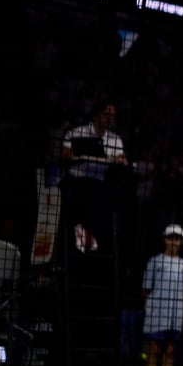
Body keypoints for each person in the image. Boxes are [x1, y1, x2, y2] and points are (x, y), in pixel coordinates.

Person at [59, 100, 128, 252]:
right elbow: (65, 154)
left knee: (116, 196)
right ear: (96, 116)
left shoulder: (116, 139)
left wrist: (120, 159)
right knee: (85, 193)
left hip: (99, 182)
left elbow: (122, 159)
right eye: (107, 115)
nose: (111, 119)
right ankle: (83, 231)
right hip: (76, 180)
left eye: (113, 116)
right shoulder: (76, 132)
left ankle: (96, 238)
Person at [142, 223, 183, 366]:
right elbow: (145, 289)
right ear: (164, 240)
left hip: (175, 315)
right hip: (156, 313)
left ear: (181, 242)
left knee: (170, 353)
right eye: (170, 238)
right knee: (153, 352)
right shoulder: (155, 262)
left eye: (177, 239)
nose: (173, 242)